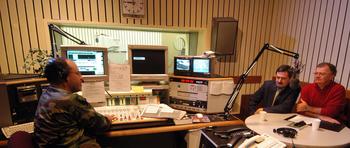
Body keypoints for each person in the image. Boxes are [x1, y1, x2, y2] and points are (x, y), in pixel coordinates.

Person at [34, 58, 113, 147]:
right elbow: (100, 125)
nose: (82, 78)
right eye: (78, 73)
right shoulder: (70, 100)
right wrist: (108, 119)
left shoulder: (47, 94)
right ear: (65, 77)